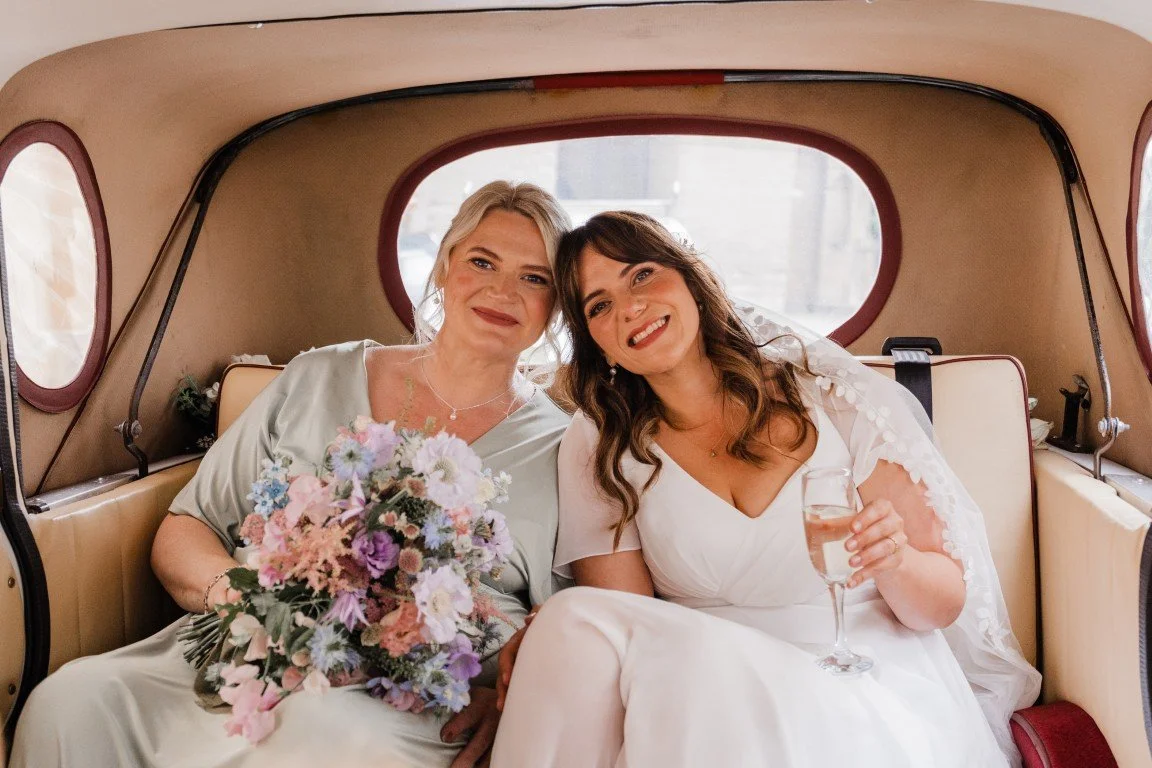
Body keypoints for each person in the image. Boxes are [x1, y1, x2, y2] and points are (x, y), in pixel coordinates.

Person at [9, 181, 572, 768]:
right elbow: (187, 529)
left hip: (413, 697)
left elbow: (574, 626)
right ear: (446, 264)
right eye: (483, 261)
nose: (502, 290)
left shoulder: (563, 446)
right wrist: (251, 605)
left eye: (535, 278)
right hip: (246, 651)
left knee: (327, 734)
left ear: (554, 306)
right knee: (70, 702)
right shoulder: (317, 375)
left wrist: (508, 700)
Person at [490, 211, 1041, 767]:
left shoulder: (831, 399)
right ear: (599, 345)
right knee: (575, 623)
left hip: (858, 674)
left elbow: (942, 605)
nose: (630, 307)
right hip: (703, 683)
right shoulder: (600, 443)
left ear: (691, 284)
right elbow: (625, 622)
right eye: (599, 305)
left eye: (641, 275)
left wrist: (895, 562)